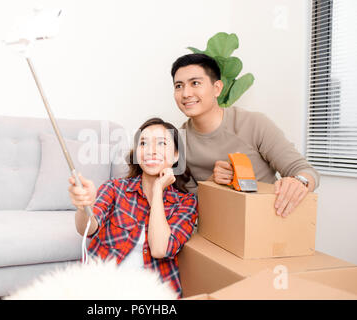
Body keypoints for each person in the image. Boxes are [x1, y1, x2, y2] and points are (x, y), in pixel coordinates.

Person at [171, 53, 320, 218]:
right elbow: (188, 201)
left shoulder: (254, 123)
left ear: (217, 88)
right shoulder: (177, 142)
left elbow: (304, 170)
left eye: (195, 83)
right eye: (179, 86)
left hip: (267, 220)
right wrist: (212, 183)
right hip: (215, 225)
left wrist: (299, 182)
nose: (186, 93)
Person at [68, 118, 198, 298]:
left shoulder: (186, 203)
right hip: (102, 287)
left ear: (176, 155)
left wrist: (158, 190)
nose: (151, 150)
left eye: (161, 143)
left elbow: (160, 249)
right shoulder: (115, 188)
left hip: (151, 293)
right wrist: (84, 208)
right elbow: (87, 228)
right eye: (143, 143)